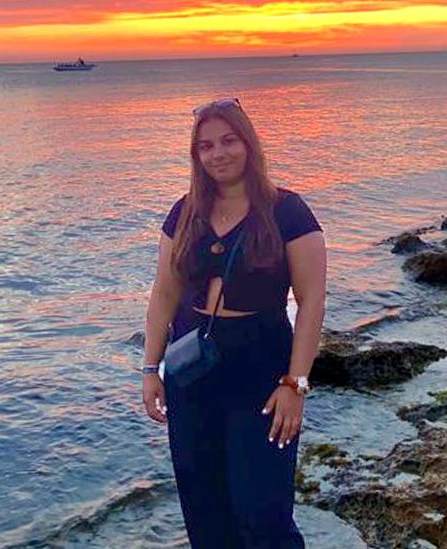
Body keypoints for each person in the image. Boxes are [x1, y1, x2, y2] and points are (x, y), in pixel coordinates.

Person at [141, 97, 327, 548]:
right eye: (205, 146)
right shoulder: (184, 212)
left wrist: (295, 384)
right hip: (191, 369)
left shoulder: (288, 211)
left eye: (228, 141)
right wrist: (150, 369)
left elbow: (311, 300)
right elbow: (164, 293)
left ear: (248, 143)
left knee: (264, 515)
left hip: (260, 365)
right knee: (204, 508)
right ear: (196, 155)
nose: (218, 153)